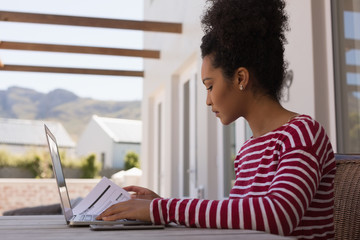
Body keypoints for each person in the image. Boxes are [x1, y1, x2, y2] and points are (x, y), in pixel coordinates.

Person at [97, 0, 336, 239]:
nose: (208, 100)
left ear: (241, 78)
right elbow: (236, 220)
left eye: (210, 86)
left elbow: (276, 216)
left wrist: (161, 209)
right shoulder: (247, 151)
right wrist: (163, 206)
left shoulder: (302, 133)